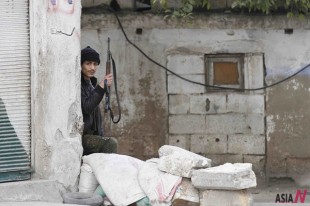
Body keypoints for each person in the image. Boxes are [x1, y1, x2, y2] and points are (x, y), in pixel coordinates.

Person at [80, 46, 117, 155]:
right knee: (111, 143)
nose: (92, 67)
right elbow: (87, 107)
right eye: (88, 63)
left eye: (95, 64)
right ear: (81, 64)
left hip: (91, 135)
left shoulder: (91, 84)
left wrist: (100, 136)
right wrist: (101, 87)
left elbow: (97, 116)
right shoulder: (78, 84)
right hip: (81, 137)